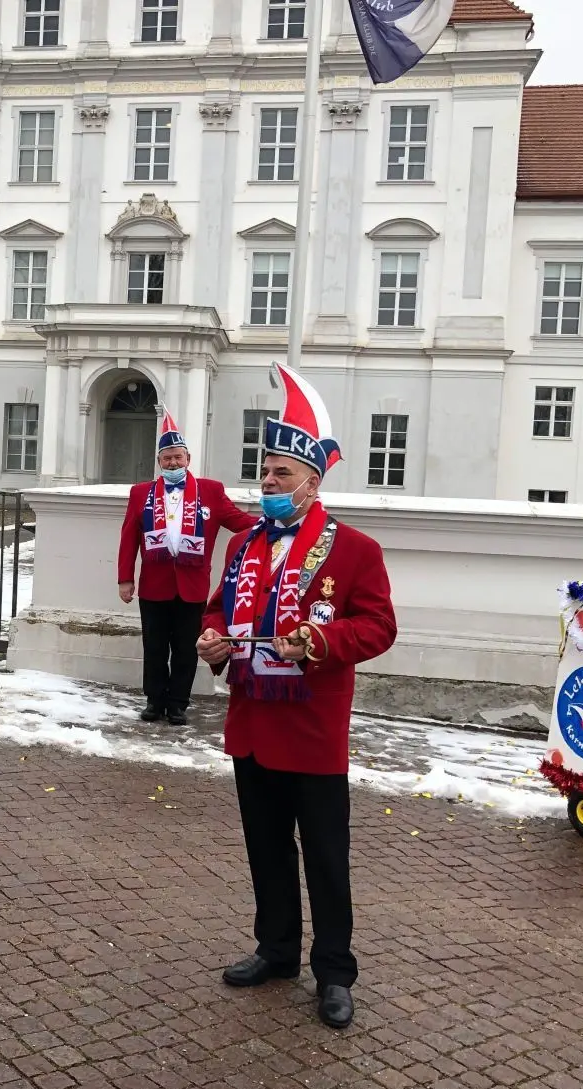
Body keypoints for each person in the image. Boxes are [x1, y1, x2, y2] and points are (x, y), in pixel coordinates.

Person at [196, 363, 397, 1030]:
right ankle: (277, 949)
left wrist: (317, 640)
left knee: (326, 858)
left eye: (281, 474)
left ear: (313, 482)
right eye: (265, 472)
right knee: (266, 847)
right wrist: (214, 639)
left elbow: (379, 626)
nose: (268, 484)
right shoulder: (247, 543)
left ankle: (334, 971)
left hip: (311, 732)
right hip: (253, 724)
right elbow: (216, 610)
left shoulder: (354, 549)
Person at [118, 409, 257, 725]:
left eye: (178, 457)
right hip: (154, 584)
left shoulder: (210, 490)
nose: (173, 463)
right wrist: (125, 578)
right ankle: (154, 701)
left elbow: (237, 521)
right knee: (154, 647)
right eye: (167, 458)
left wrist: (271, 525)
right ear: (159, 461)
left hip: (193, 587)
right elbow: (129, 537)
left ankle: (178, 703)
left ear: (188, 458)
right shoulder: (141, 493)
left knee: (186, 648)